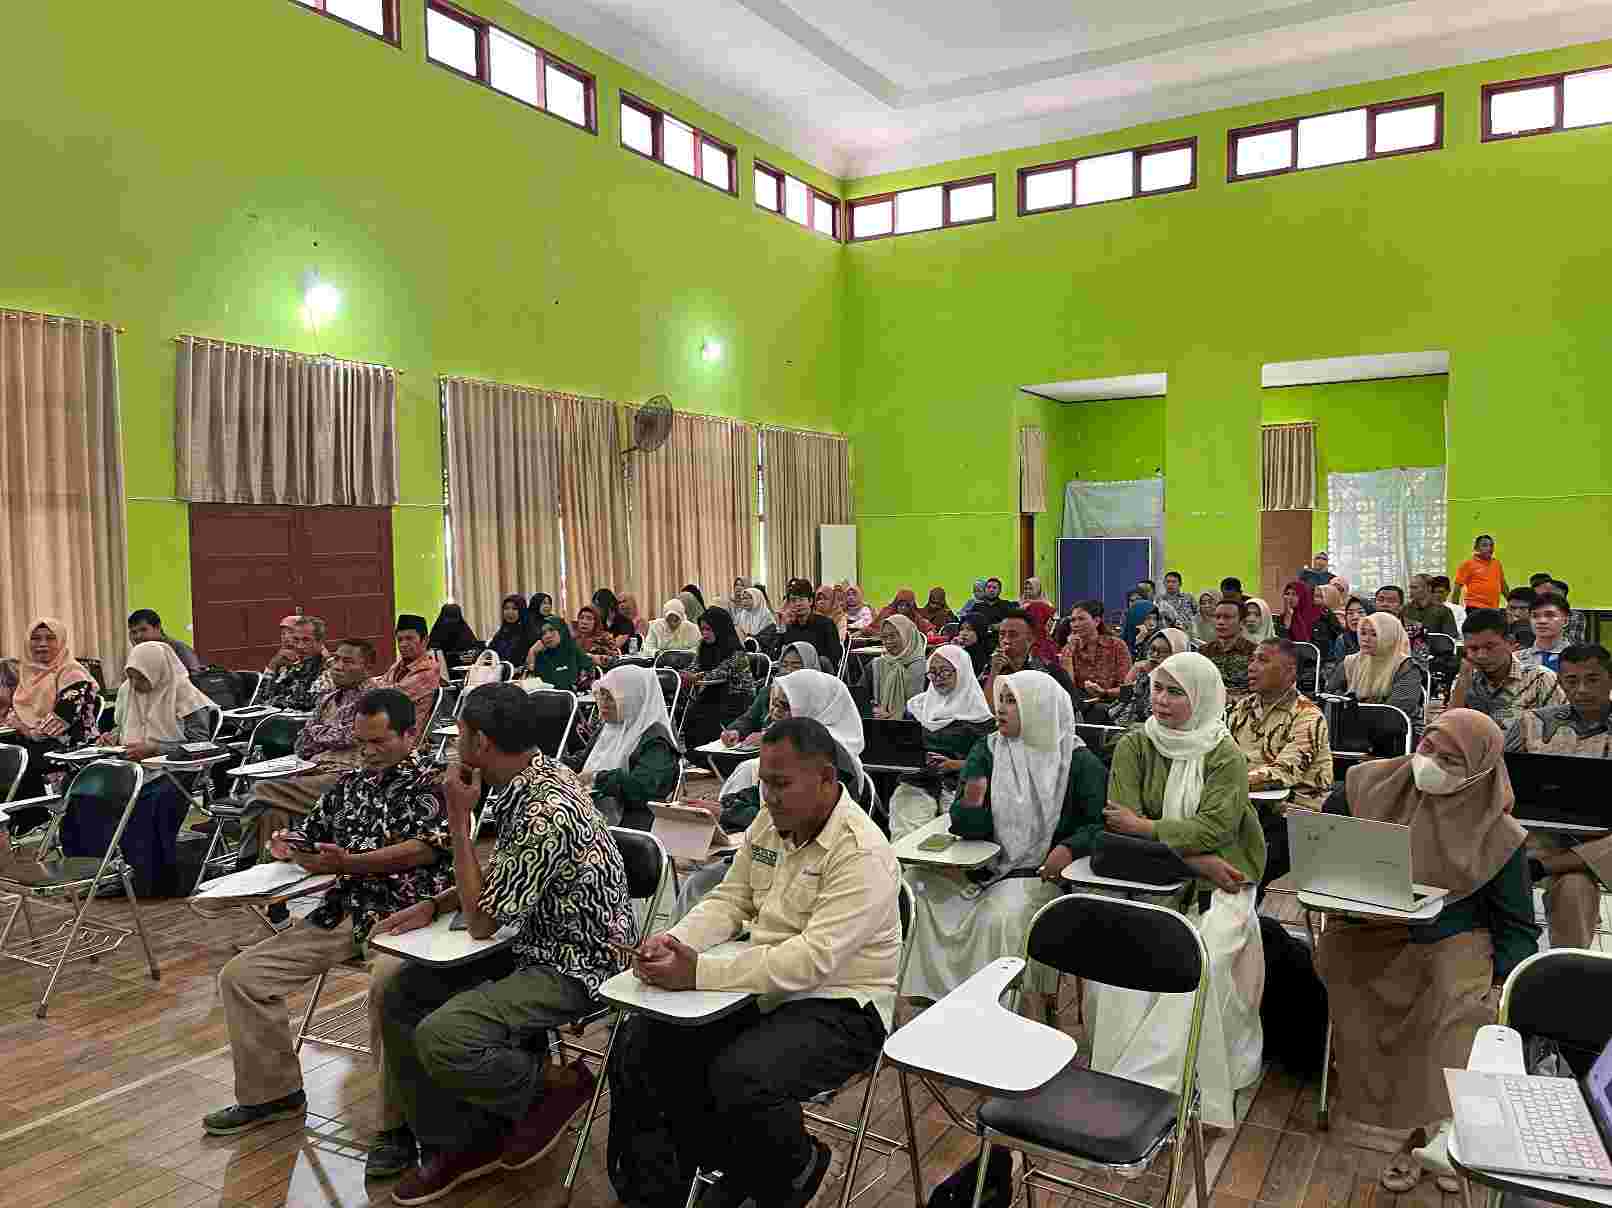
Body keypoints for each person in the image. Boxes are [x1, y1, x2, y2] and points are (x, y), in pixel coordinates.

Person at [618, 717, 901, 1208]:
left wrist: (698, 973)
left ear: (826, 779)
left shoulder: (862, 852)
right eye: (763, 782)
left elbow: (811, 961)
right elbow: (733, 899)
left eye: (781, 784)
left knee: (741, 1073)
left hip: (842, 1005)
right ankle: (701, 1172)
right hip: (765, 986)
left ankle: (797, 1171)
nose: (768, 797)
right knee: (645, 1041)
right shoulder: (771, 823)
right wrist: (675, 940)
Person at [374, 684, 634, 1203]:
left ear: (483, 743)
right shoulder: (534, 776)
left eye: (460, 737)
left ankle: (553, 1086)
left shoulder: (545, 809)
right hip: (534, 941)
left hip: (575, 964)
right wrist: (434, 904)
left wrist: (458, 819)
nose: (454, 747)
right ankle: (454, 1140)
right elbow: (502, 875)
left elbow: (481, 922)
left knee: (444, 1034)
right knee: (400, 995)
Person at [203, 688, 452, 1180]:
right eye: (361, 742)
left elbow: (425, 849)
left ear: (410, 735)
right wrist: (290, 844)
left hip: (407, 915)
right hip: (344, 911)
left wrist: (350, 862)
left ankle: (397, 1126)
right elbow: (315, 835)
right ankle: (273, 1093)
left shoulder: (433, 783)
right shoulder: (349, 784)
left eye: (378, 742)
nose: (367, 751)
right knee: (242, 977)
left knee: (388, 990)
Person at [1315, 710, 1536, 1192]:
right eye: (1427, 748)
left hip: (1451, 937)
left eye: (1450, 760)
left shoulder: (1499, 836)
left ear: (1478, 771)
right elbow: (1322, 851)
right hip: (1369, 928)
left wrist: (1506, 984)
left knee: (1457, 1000)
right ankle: (1411, 1124)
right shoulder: (1368, 785)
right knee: (1341, 964)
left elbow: (1517, 925)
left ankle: (1431, 1134)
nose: (1430, 763)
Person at [1095, 652, 1267, 1128]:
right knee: (1124, 954)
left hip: (1224, 880)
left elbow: (1215, 829)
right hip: (1150, 877)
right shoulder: (1135, 744)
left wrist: (1150, 829)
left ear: (1202, 698)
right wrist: (1192, 858)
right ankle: (1130, 1080)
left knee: (1201, 961)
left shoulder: (1225, 755)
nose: (1162, 700)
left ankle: (1152, 1088)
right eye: (1157, 688)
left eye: (1176, 692)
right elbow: (1119, 826)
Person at [905, 671, 1105, 1016]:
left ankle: (998, 1010)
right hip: (981, 864)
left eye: (1013, 701)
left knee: (1001, 916)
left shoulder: (1077, 760)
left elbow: (1099, 824)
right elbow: (966, 825)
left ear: (1038, 707)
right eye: (1001, 700)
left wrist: (1070, 848)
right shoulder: (987, 749)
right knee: (916, 885)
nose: (1001, 709)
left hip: (1038, 871)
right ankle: (934, 999)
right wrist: (971, 803)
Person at [58, 642, 215, 896]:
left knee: (148, 801)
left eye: (141, 677)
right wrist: (111, 737)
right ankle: (93, 874)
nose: (134, 683)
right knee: (81, 793)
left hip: (173, 769)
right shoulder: (127, 690)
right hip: (130, 765)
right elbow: (123, 727)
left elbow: (200, 745)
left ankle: (144, 879)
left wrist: (156, 749)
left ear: (157, 670)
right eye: (130, 676)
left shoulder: (184, 692)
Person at [1504, 645, 1612, 950]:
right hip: (1536, 836)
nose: (1582, 689)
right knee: (1575, 887)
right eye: (1571, 681)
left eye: (1593, 679)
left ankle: (1569, 971)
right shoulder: (1532, 722)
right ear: (1561, 682)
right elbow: (1498, 777)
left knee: (1577, 883)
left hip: (1601, 842)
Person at [243, 638, 377, 866]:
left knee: (261, 789)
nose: (338, 666)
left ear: (367, 667)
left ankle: (245, 860)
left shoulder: (374, 698)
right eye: (336, 659)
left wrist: (317, 732)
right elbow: (302, 746)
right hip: (313, 772)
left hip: (349, 777)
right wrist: (321, 733)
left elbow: (349, 736)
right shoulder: (328, 698)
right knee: (272, 812)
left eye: (348, 661)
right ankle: (271, 873)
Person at [1228, 639, 1333, 900]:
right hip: (1244, 808)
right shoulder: (1241, 708)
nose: (1252, 667)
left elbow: (1283, 773)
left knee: (1239, 870)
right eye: (1252, 659)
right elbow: (1221, 759)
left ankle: (1242, 918)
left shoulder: (1308, 716)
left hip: (1294, 819)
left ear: (1290, 671)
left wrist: (1226, 782)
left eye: (1263, 660)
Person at [887, 645, 998, 838]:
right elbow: (902, 747)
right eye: (932, 672)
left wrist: (954, 764)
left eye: (946, 671)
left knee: (953, 836)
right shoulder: (917, 707)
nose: (938, 677)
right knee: (905, 832)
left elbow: (993, 763)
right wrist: (914, 760)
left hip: (962, 784)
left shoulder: (980, 716)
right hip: (918, 781)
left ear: (962, 671)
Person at [1, 617, 101, 806]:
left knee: (14, 762)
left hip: (71, 749)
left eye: (50, 638)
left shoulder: (74, 675)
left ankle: (30, 817)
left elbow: (54, 725)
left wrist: (24, 728)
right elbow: (14, 713)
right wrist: (22, 727)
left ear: (61, 641)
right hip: (37, 746)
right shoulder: (29, 673)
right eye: (35, 638)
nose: (42, 644)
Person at [577, 664, 680, 829]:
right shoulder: (610, 727)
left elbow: (641, 789)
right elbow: (583, 761)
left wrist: (596, 778)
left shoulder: (657, 742)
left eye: (610, 697)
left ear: (633, 699)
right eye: (600, 695)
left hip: (631, 823)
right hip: (592, 811)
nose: (602, 703)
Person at [1450, 609, 1565, 729]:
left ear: (1510, 642)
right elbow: (1450, 727)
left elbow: (1562, 727)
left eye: (1490, 647)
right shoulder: (1467, 678)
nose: (1481, 655)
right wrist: (1463, 682)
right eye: (1473, 649)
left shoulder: (1540, 679)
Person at [1327, 612, 1424, 721]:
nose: (1366, 639)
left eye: (1374, 634)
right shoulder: (1350, 662)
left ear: (1389, 637)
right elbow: (1329, 695)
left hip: (1394, 727)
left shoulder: (1406, 666)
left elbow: (1396, 711)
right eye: (1363, 633)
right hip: (1351, 723)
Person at [682, 607, 758, 746]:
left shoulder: (736, 651)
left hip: (737, 699)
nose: (704, 633)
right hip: (714, 693)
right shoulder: (703, 645)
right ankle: (695, 754)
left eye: (708, 629)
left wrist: (695, 677)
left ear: (720, 628)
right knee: (692, 715)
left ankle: (710, 753)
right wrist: (684, 674)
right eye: (702, 629)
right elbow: (695, 666)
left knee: (707, 719)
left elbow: (720, 673)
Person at [722, 641, 817, 746]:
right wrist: (736, 732)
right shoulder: (769, 691)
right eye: (784, 665)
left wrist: (768, 737)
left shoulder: (818, 696)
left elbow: (809, 734)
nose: (788, 671)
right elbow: (750, 719)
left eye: (796, 666)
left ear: (810, 668)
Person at [371, 615, 444, 748]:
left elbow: (390, 697)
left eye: (409, 639)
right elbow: (380, 686)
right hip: (384, 728)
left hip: (405, 738)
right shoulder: (399, 665)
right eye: (400, 640)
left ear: (425, 640)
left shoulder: (429, 670)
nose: (403, 644)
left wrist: (365, 682)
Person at [1056, 599, 1132, 713]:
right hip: (1082, 706)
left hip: (1113, 705)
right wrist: (1068, 655)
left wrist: (1104, 692)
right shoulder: (1069, 649)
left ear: (1096, 621)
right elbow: (1068, 689)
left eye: (1081, 619)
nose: (1075, 624)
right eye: (1072, 620)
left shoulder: (1117, 645)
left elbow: (1127, 689)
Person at [989, 609, 1076, 706]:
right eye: (1002, 634)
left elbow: (1071, 708)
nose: (1005, 640)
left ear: (1030, 639)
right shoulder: (992, 667)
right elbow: (984, 710)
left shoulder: (1051, 673)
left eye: (1013, 635)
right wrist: (994, 672)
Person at [1114, 628, 1191, 725]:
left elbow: (1151, 716)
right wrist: (1130, 678)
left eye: (1163, 652)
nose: (1155, 655)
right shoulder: (1143, 674)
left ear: (1177, 655)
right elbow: (1119, 707)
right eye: (1152, 649)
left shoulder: (1183, 683)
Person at [259, 616, 328, 711]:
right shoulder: (289, 664)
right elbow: (262, 697)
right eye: (296, 639)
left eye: (306, 640)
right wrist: (272, 666)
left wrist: (274, 701)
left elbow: (305, 704)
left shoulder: (327, 669)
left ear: (320, 641)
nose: (300, 646)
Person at [870, 615, 928, 720]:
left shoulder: (926, 669)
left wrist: (896, 714)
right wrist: (874, 710)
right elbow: (860, 697)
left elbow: (928, 705)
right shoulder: (878, 664)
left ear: (907, 636)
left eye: (893, 636)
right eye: (884, 637)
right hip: (878, 722)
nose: (888, 641)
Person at [777, 579, 842, 669]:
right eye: (793, 600)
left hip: (819, 671)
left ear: (810, 601)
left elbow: (833, 658)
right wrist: (781, 625)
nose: (798, 604)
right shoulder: (790, 628)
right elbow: (779, 656)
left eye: (801, 599)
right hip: (792, 672)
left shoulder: (826, 624)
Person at [1201, 600, 1257, 700]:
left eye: (1227, 617)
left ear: (1242, 622)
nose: (1220, 622)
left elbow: (1260, 691)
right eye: (1217, 617)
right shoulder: (1203, 651)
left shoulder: (1255, 652)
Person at [127, 608, 203, 673]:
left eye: (143, 630)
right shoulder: (140, 653)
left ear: (157, 627)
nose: (138, 636)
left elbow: (195, 675)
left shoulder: (179, 649)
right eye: (134, 632)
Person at [525, 614, 583, 692]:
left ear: (562, 630)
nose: (548, 636)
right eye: (543, 633)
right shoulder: (541, 655)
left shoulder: (574, 652)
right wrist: (532, 653)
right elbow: (527, 686)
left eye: (552, 630)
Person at [1452, 533, 1508, 609]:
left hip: (1493, 608)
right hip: (1474, 607)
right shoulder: (1468, 564)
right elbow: (1457, 588)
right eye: (1485, 545)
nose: (1489, 548)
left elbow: (1503, 586)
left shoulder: (1497, 564)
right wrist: (1455, 609)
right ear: (1476, 548)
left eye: (1491, 545)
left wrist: (1511, 602)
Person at [1520, 591, 1571, 673]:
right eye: (1535, 616)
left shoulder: (1582, 659)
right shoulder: (1515, 659)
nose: (1542, 621)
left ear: (1566, 621)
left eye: (1550, 615)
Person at [487, 595, 536, 668]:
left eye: (515, 609)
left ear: (522, 611)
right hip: (499, 671)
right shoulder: (502, 632)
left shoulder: (529, 632)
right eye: (506, 608)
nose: (510, 612)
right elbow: (490, 652)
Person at [427, 604, 480, 669]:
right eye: (448, 618)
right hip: (440, 670)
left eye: (454, 618)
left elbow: (474, 651)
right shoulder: (437, 633)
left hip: (465, 670)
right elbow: (432, 653)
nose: (451, 622)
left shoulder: (465, 632)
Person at [869, 588, 935, 636]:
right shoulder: (887, 613)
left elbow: (927, 626)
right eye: (900, 605)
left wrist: (930, 631)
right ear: (896, 603)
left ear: (911, 606)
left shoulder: (914, 616)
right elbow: (872, 628)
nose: (903, 608)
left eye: (907, 605)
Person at [954, 615, 994, 681]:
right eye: (961, 629)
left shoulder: (989, 654)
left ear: (980, 631)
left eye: (969, 629)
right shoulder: (957, 649)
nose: (964, 633)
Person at [1331, 596, 1366, 661]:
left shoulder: (1379, 637)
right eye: (1350, 613)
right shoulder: (1342, 640)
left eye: (1360, 612)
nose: (1355, 617)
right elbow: (1340, 665)